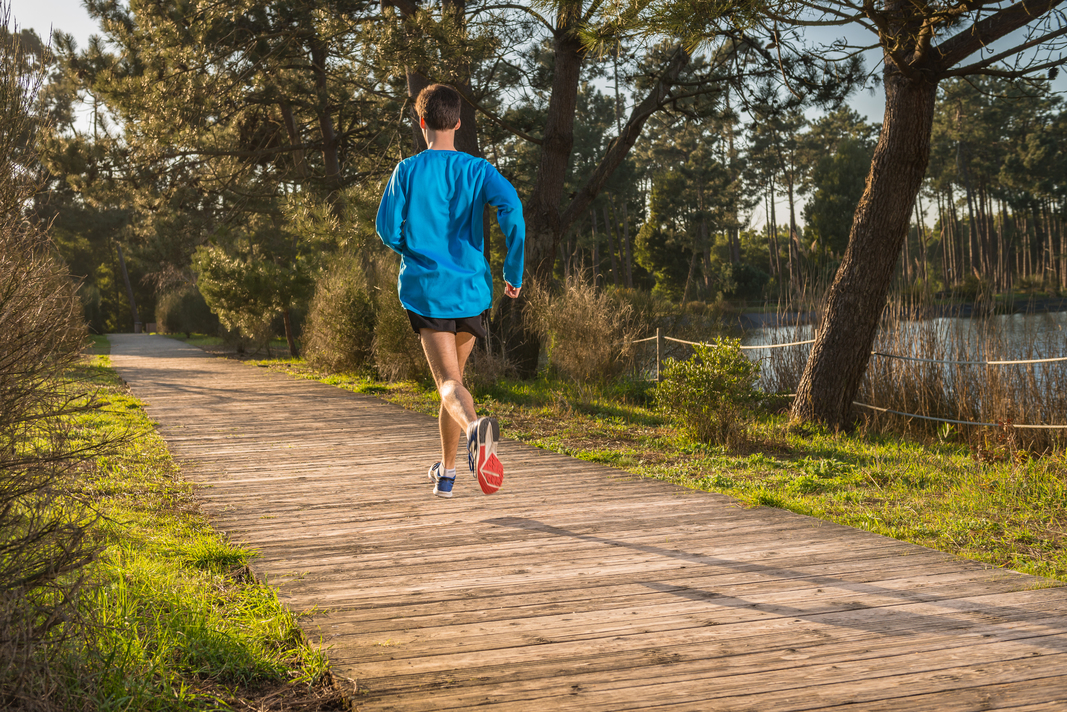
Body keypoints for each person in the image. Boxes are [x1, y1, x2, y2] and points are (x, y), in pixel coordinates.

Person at [375, 83, 525, 499]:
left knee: (447, 385)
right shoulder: (479, 170)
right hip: (472, 290)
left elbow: (387, 229)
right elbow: (512, 209)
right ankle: (447, 473)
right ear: (457, 123)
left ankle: (476, 430)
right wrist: (514, 270)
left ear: (421, 123)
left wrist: (414, 248)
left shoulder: (406, 170)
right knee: (455, 383)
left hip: (430, 291)